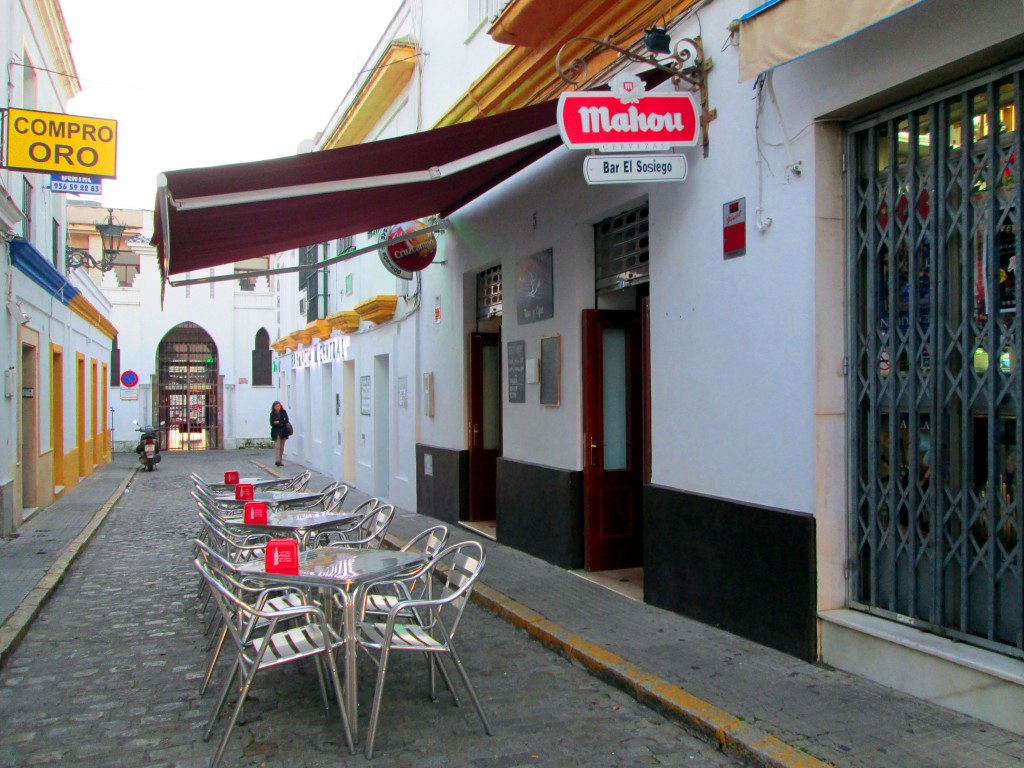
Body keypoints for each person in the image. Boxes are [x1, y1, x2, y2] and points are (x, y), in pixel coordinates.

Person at [269, 401, 291, 467]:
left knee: (282, 447)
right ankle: (277, 461)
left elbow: (286, 420)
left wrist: (278, 422)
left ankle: (280, 461)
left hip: (283, 432)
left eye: (278, 406)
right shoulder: (272, 413)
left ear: (280, 406)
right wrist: (280, 422)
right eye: (276, 406)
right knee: (277, 446)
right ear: (274, 407)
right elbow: (271, 423)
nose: (277, 407)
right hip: (276, 432)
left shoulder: (283, 412)